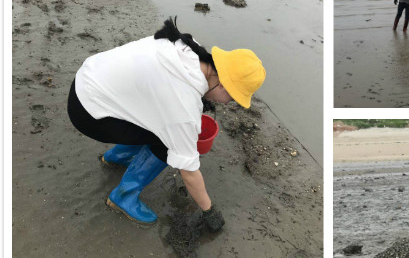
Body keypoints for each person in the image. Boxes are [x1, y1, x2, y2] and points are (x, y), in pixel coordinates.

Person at [67, 17, 265, 227]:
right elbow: (188, 171)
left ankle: (116, 156)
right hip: (89, 113)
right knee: (167, 142)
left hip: (88, 80)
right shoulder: (184, 106)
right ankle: (123, 197)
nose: (228, 103)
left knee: (157, 120)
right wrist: (209, 210)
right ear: (224, 86)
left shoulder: (189, 47)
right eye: (233, 98)